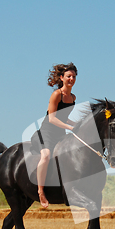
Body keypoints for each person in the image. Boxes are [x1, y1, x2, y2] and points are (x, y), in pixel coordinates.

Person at [36, 63, 77, 208]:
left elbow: (64, 117)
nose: (71, 79)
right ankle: (41, 191)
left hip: (60, 133)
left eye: (73, 76)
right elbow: (52, 118)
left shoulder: (72, 97)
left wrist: (78, 124)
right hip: (46, 132)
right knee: (46, 156)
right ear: (62, 78)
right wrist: (70, 127)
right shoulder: (56, 94)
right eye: (68, 76)